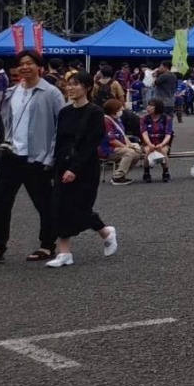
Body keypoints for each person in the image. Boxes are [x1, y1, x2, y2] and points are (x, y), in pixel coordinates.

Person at [0, 50, 63, 264]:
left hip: (37, 157)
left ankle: (47, 245)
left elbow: (61, 127)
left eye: (29, 63)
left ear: (39, 66)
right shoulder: (11, 92)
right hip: (11, 155)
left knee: (44, 203)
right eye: (21, 64)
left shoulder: (51, 93)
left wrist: (52, 157)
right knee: (0, 202)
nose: (24, 67)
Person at [46, 72, 118, 267]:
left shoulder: (94, 112)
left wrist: (75, 169)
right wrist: (54, 165)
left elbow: (90, 144)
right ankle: (64, 252)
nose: (70, 88)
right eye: (68, 84)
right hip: (63, 162)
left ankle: (105, 231)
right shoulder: (64, 112)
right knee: (59, 206)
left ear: (86, 87)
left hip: (85, 166)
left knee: (80, 207)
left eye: (75, 84)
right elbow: (59, 140)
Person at [142, 98, 174, 183]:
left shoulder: (167, 118)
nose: (147, 107)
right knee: (148, 150)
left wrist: (162, 144)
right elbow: (144, 133)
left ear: (157, 107)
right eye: (147, 105)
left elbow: (168, 134)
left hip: (162, 142)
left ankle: (166, 172)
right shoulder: (144, 118)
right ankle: (146, 172)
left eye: (150, 106)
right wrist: (149, 144)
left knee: (163, 151)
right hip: (148, 142)